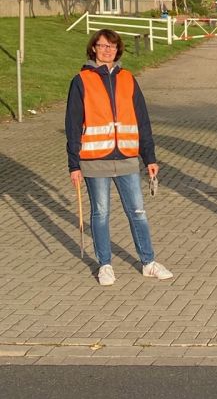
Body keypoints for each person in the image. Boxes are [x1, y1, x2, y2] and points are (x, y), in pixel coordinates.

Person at [65, 29, 173, 286]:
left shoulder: (128, 79)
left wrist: (150, 158)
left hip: (127, 159)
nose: (107, 50)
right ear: (93, 48)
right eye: (102, 46)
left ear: (117, 50)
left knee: (137, 211)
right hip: (94, 160)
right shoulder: (81, 80)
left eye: (111, 47)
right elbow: (72, 124)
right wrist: (73, 163)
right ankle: (105, 265)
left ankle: (148, 262)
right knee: (100, 213)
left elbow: (142, 120)